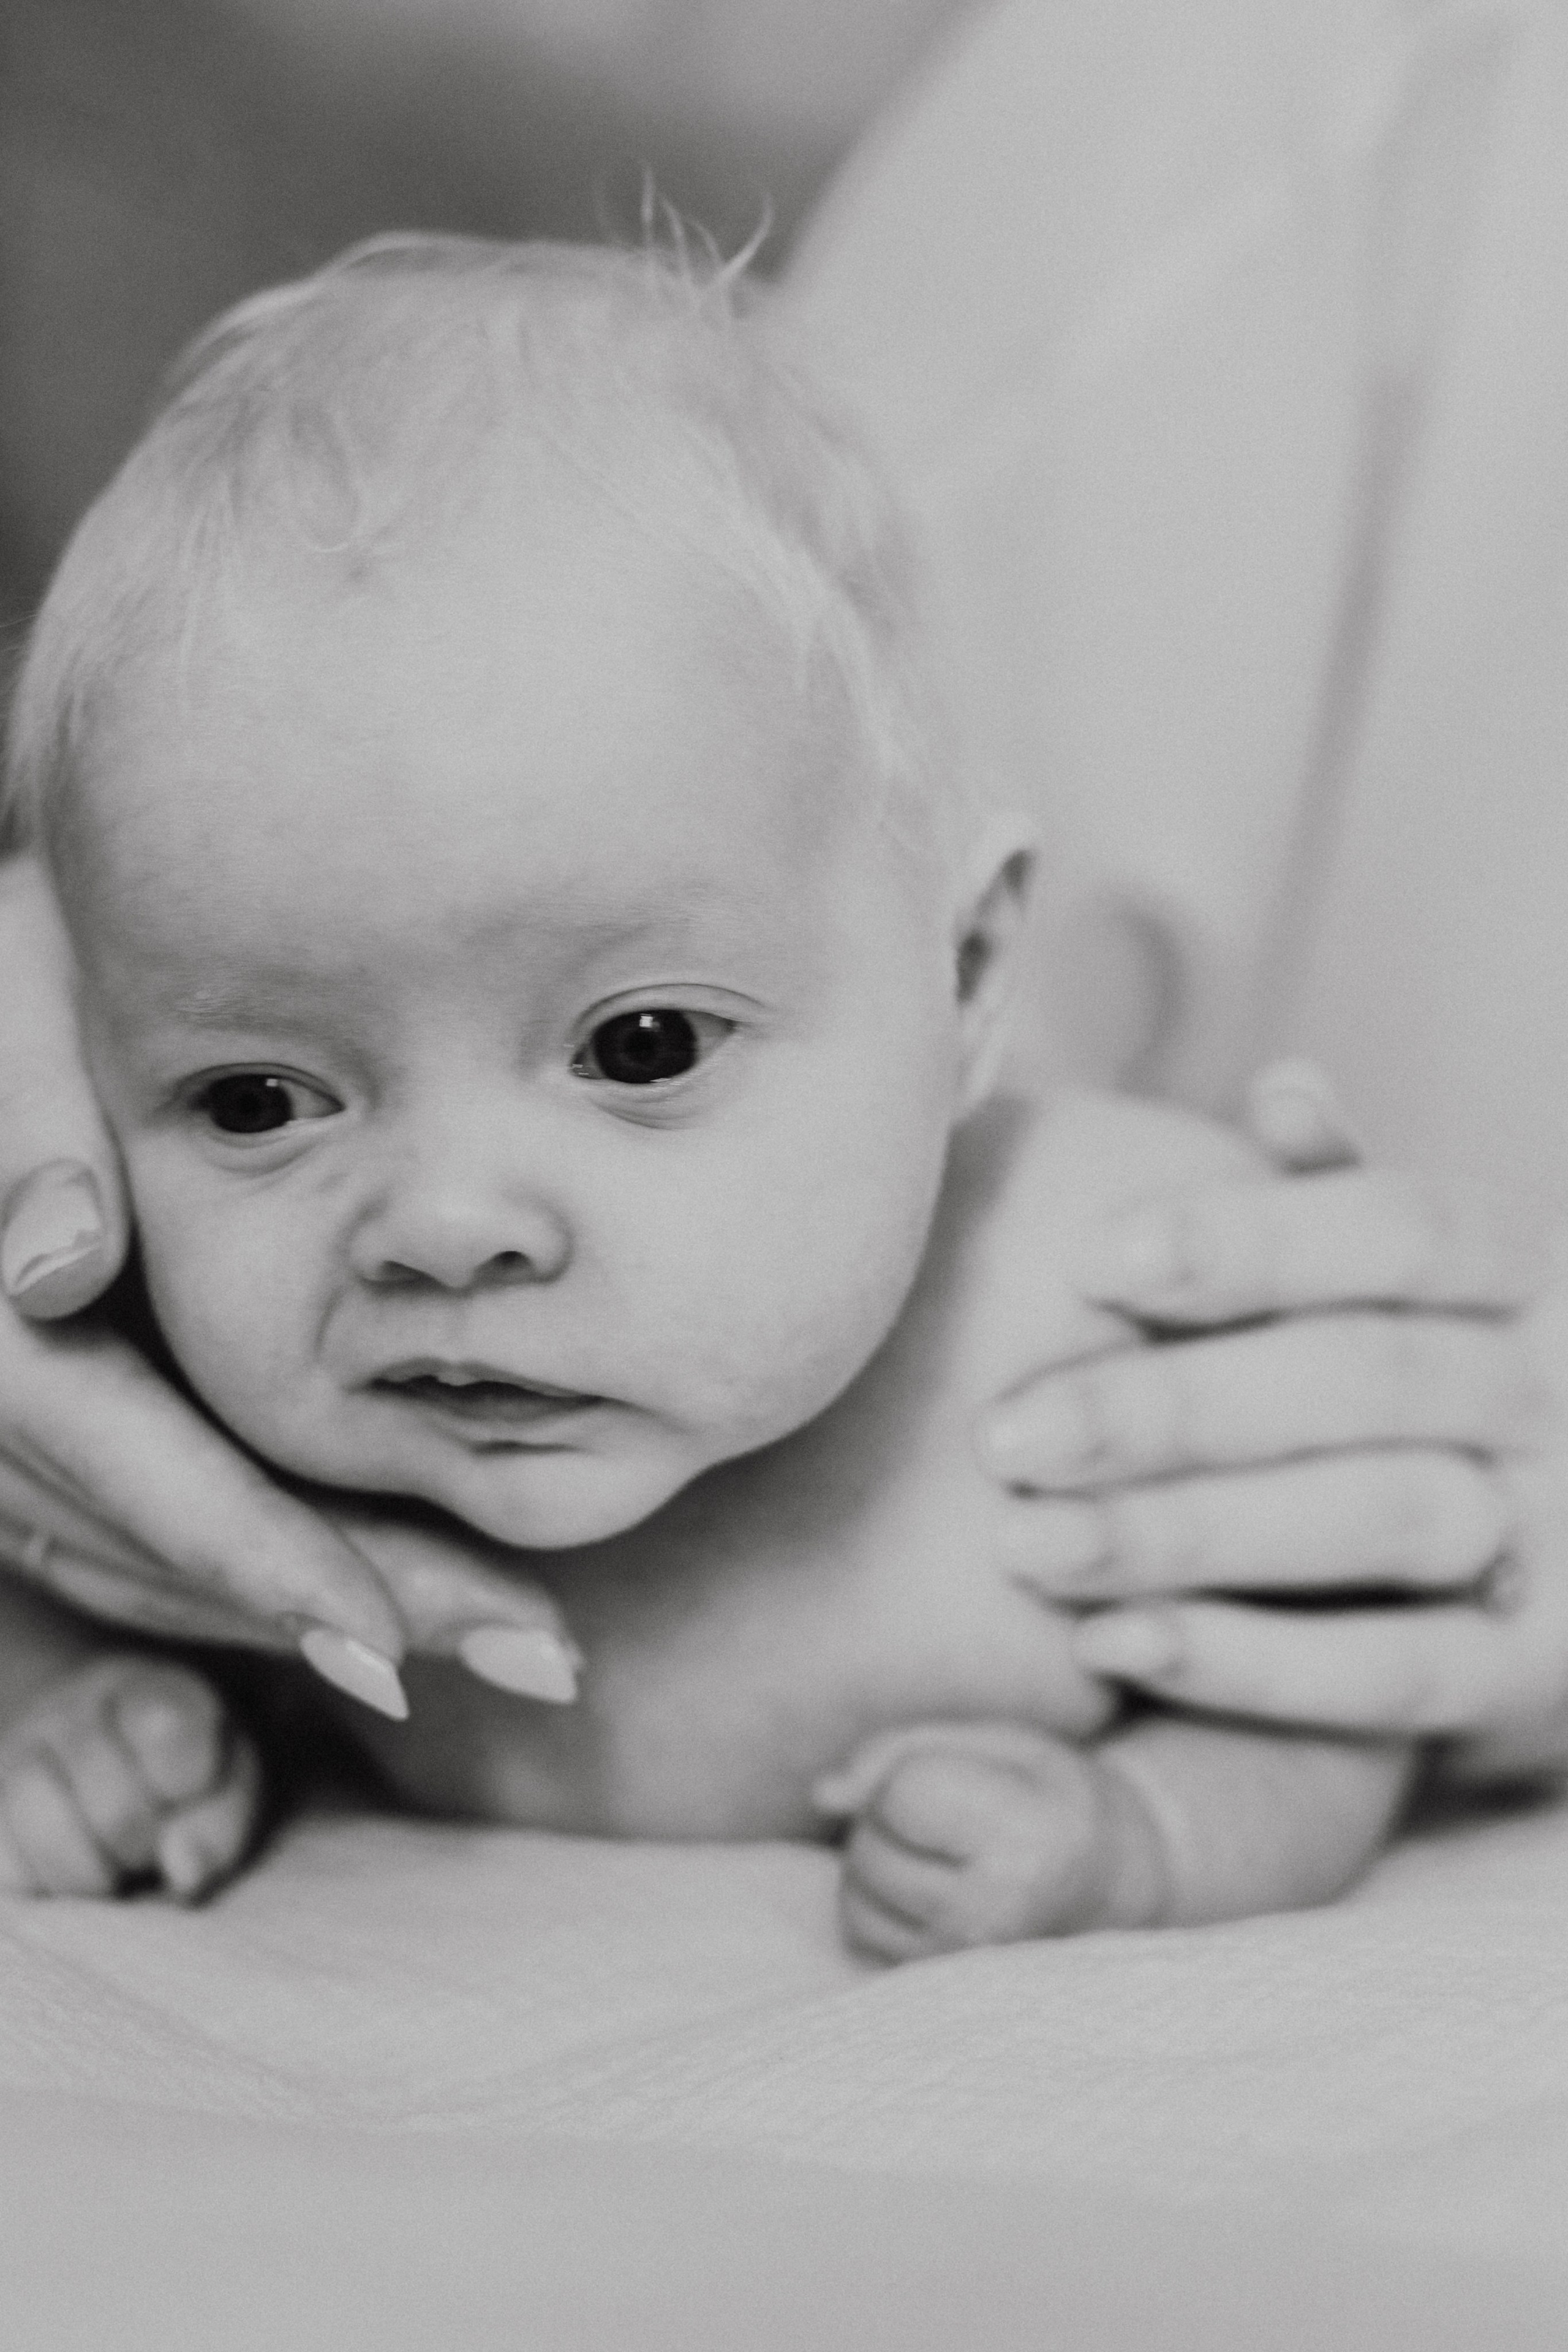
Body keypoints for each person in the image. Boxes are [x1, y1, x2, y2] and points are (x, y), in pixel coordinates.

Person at [2, 0, 1564, 1825]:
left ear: (978, 970)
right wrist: (80, 1705)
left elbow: (1317, 1658)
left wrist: (1137, 1841)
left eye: (641, 1048)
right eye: (259, 1098)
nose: (441, 1225)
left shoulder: (1108, 1294)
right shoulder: (177, 1336)